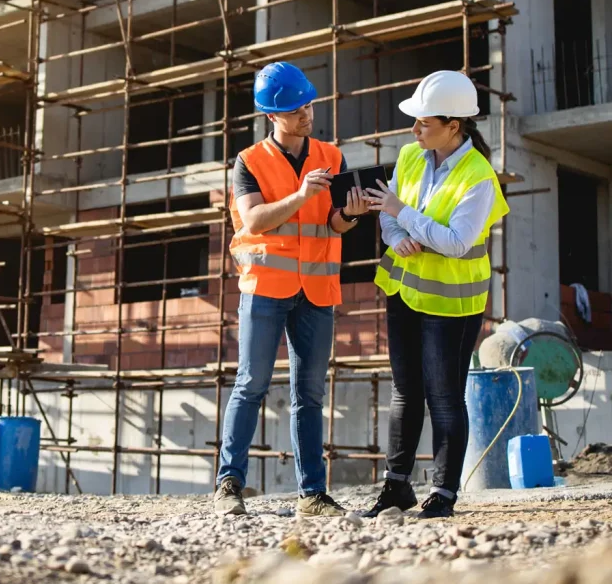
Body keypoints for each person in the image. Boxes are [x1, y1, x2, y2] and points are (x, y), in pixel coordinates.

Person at [215, 62, 370, 517]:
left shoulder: (332, 155)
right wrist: (301, 195)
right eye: (295, 108)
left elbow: (333, 224)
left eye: (308, 104)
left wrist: (353, 213)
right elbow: (255, 219)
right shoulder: (250, 161)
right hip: (266, 288)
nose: (306, 113)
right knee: (251, 385)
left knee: (310, 394)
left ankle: (313, 495)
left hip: (317, 292)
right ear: (272, 115)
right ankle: (229, 485)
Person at [365, 70, 509, 519]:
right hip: (404, 290)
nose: (414, 130)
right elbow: (387, 211)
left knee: (445, 397)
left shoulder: (478, 175)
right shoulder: (411, 155)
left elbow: (456, 241)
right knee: (405, 393)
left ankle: (443, 495)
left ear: (454, 125)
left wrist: (401, 213)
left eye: (424, 123)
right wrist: (394, 234)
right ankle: (396, 487)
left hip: (452, 302)